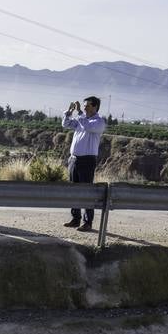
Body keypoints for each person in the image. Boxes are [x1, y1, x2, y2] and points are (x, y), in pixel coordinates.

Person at [62, 96, 106, 232]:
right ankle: (75, 218)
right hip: (74, 159)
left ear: (95, 107)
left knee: (87, 191)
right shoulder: (82, 119)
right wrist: (69, 113)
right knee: (73, 190)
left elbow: (87, 126)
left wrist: (80, 113)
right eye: (84, 106)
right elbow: (66, 124)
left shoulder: (98, 122)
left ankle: (88, 222)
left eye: (87, 105)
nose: (84, 108)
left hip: (87, 160)